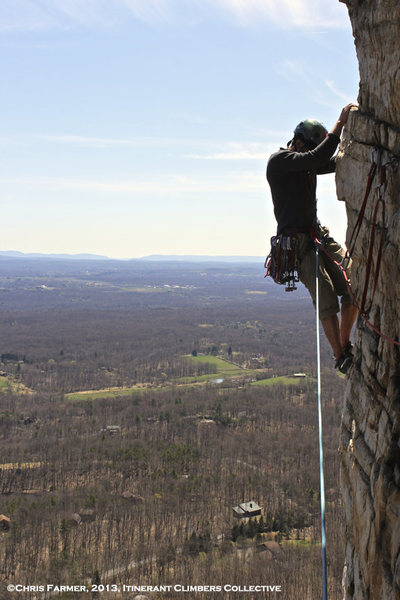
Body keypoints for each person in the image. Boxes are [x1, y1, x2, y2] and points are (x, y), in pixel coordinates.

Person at [266, 103, 358, 374]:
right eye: (307, 147)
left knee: (353, 283)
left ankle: (345, 346)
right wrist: (339, 125)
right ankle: (339, 355)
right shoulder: (280, 162)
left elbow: (326, 162)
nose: (308, 152)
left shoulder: (305, 164)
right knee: (326, 297)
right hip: (298, 245)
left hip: (317, 234)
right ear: (297, 142)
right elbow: (317, 158)